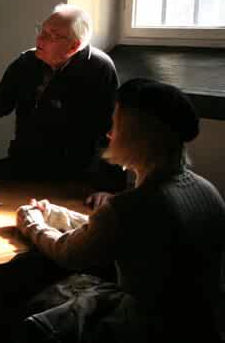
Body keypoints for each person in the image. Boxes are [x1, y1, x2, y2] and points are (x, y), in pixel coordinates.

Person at [12, 78, 225, 342]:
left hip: (148, 330)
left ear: (136, 135)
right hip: (202, 327)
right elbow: (122, 231)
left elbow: (69, 253)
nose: (109, 134)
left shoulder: (133, 205)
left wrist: (31, 221)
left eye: (115, 124)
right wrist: (59, 215)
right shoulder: (206, 190)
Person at [0, 4, 124, 207]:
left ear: (74, 46)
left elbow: (111, 130)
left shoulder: (99, 69)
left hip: (76, 172)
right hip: (25, 164)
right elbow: (0, 102)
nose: (39, 39)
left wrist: (109, 187)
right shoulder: (27, 62)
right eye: (41, 30)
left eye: (50, 35)